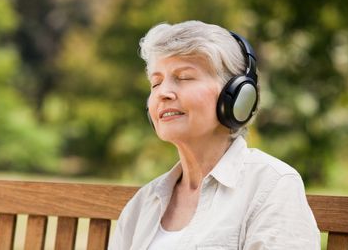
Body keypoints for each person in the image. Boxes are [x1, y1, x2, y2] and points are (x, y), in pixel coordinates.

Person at [109, 20, 320, 250]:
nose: (163, 93)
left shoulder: (272, 186)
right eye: (156, 83)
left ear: (238, 95)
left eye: (184, 77)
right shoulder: (143, 203)